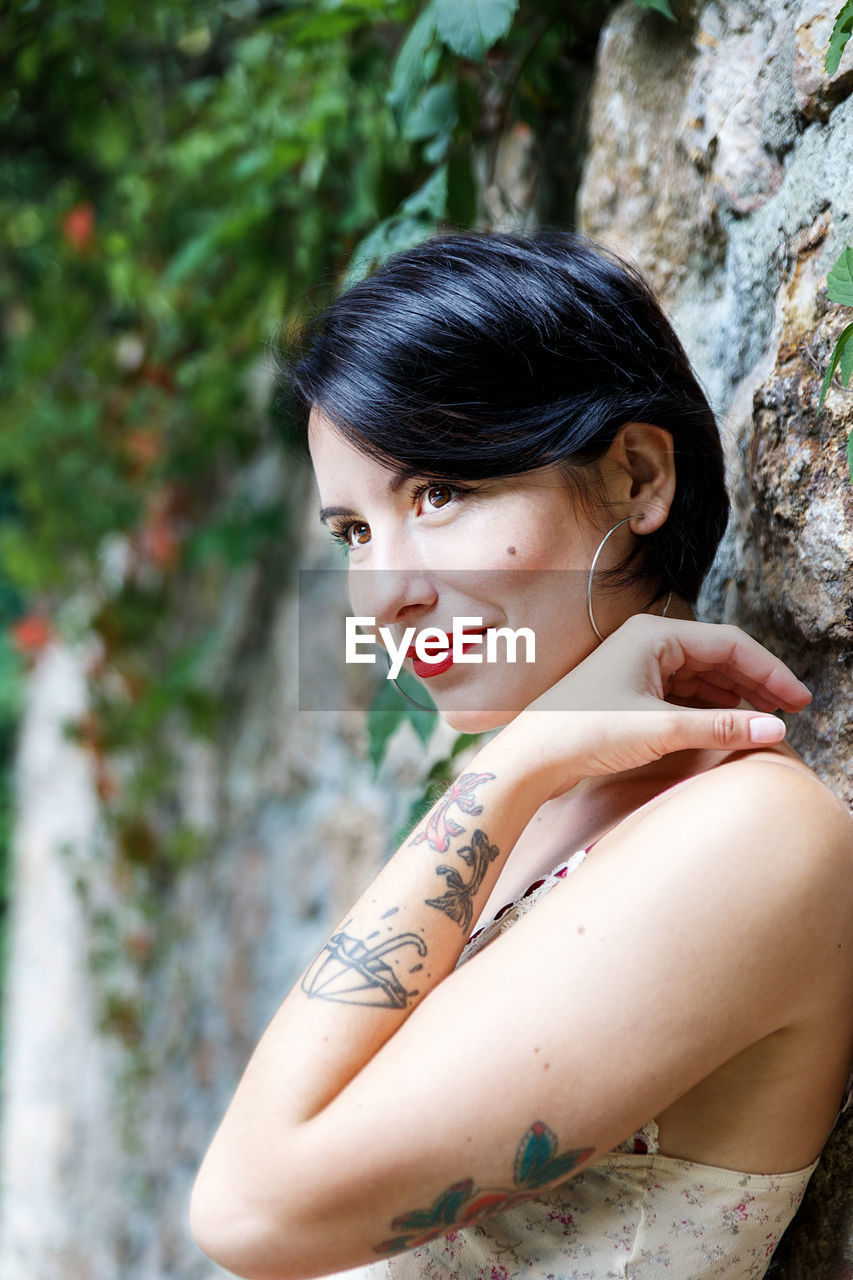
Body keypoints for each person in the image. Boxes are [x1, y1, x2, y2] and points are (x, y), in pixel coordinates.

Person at [190, 232, 853, 1280]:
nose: (382, 591)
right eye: (352, 530)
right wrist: (521, 771)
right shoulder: (540, 813)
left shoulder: (750, 832)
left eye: (439, 493)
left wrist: (508, 765)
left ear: (635, 475)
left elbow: (251, 1211)